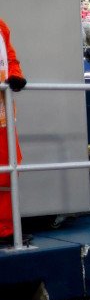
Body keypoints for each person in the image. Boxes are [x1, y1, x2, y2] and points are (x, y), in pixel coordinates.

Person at [0, 15, 25, 244]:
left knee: (9, 169)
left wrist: (16, 76)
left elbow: (10, 59)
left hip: (2, 115)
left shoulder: (1, 27)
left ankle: (5, 229)